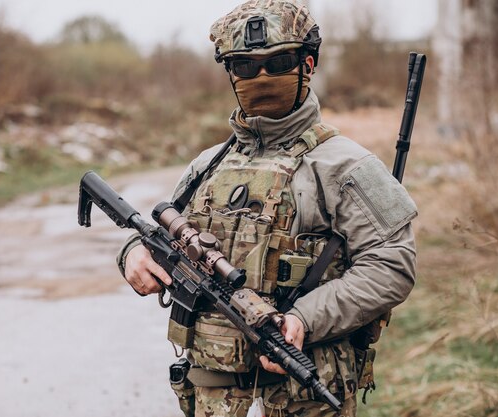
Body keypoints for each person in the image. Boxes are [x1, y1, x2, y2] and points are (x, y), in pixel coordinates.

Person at [116, 1, 417, 416]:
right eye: (244, 66)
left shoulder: (348, 166)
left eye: (279, 63)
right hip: (210, 395)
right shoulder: (208, 164)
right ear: (229, 73)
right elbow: (162, 234)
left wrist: (304, 319)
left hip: (305, 395)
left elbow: (392, 265)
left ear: (307, 64)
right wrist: (132, 253)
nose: (261, 76)